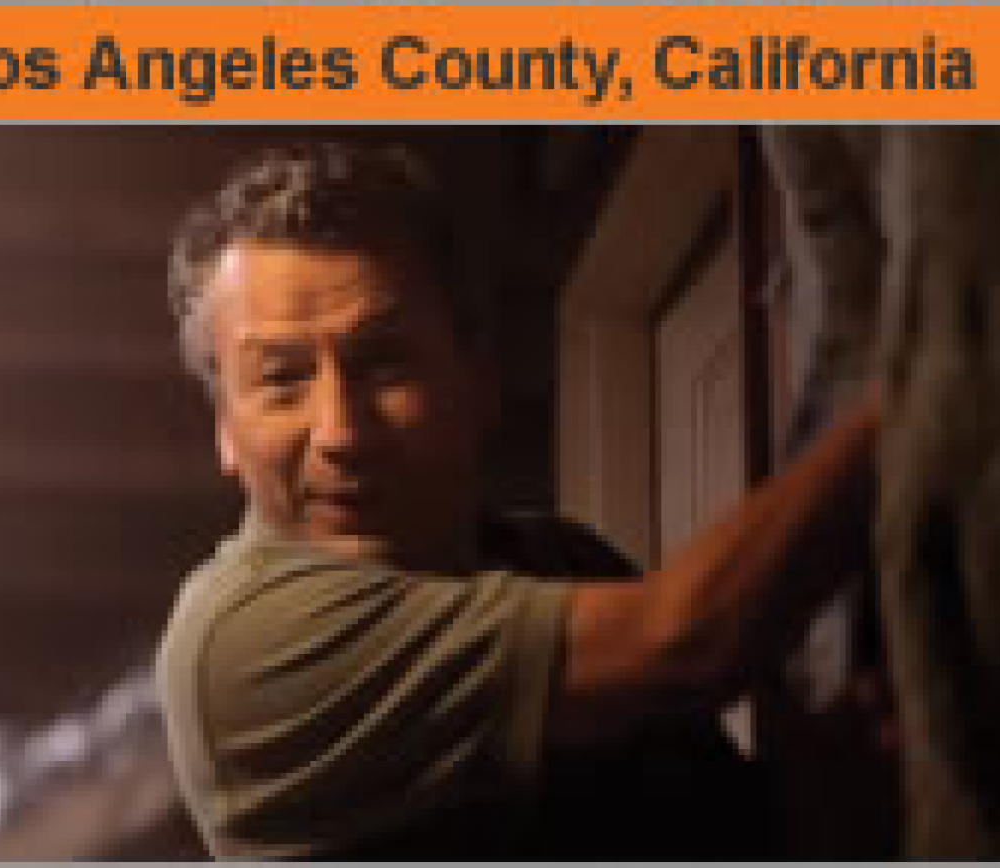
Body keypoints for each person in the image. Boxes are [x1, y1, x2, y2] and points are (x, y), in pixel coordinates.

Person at [155, 141, 882, 859]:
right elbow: (685, 640)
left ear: (475, 375)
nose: (342, 432)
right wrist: (923, 385)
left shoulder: (562, 561)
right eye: (283, 379)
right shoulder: (244, 645)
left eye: (384, 362)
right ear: (226, 431)